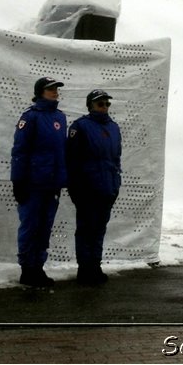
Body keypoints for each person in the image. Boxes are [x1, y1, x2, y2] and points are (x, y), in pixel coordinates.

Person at [11, 76, 68, 288]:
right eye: (50, 89)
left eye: (56, 89)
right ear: (40, 92)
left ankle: (38, 267)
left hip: (52, 184)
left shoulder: (60, 118)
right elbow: (20, 151)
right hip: (33, 183)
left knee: (45, 227)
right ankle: (27, 269)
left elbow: (62, 152)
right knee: (30, 225)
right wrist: (18, 181)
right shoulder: (30, 117)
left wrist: (62, 180)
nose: (54, 92)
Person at [65, 88, 122, 286]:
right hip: (87, 189)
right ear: (90, 105)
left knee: (99, 230)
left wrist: (116, 185)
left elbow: (116, 159)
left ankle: (95, 266)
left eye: (107, 104)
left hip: (107, 189)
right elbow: (71, 161)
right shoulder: (80, 127)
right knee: (85, 230)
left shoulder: (114, 127)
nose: (104, 107)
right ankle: (85, 269)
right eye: (100, 104)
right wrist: (76, 188)